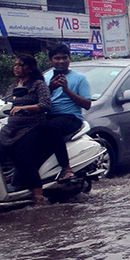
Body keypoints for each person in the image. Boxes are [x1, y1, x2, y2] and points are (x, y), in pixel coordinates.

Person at [0, 54, 58, 205]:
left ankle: (38, 195)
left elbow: (45, 105)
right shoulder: (13, 86)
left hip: (33, 126)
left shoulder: (38, 84)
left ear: (29, 68)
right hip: (12, 127)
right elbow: (5, 103)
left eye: (20, 65)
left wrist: (23, 108)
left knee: (23, 156)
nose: (16, 67)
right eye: (15, 64)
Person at [44, 43, 92, 182]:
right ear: (50, 60)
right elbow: (39, 100)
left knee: (51, 128)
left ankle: (66, 168)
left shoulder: (79, 78)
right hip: (48, 116)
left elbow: (87, 104)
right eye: (57, 58)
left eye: (64, 58)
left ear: (69, 59)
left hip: (71, 117)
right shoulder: (45, 78)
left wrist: (67, 90)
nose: (61, 61)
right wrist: (50, 89)